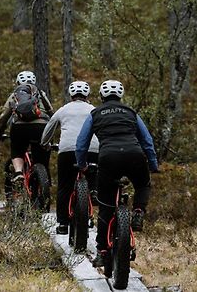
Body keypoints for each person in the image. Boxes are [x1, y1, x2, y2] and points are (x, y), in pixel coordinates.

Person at [75, 80, 159, 267]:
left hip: (108, 158)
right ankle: (138, 211)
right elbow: (147, 140)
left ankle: (102, 252)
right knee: (143, 184)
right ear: (120, 96)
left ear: (102, 96)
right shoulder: (130, 113)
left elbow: (81, 142)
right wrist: (153, 164)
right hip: (134, 155)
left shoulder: (94, 113)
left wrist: (82, 165)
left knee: (105, 207)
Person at [41, 81, 99, 235]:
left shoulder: (63, 110)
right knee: (93, 174)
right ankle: (93, 190)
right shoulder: (94, 110)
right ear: (87, 95)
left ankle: (62, 224)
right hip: (91, 149)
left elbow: (48, 129)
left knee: (64, 187)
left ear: (71, 95)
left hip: (67, 150)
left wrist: (45, 143)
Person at [0, 70, 54, 184]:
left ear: (18, 82)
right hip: (41, 127)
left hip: (20, 128)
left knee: (17, 149)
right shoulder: (40, 93)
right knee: (42, 154)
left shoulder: (15, 95)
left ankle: (19, 172)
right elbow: (51, 113)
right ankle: (45, 180)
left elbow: (4, 117)